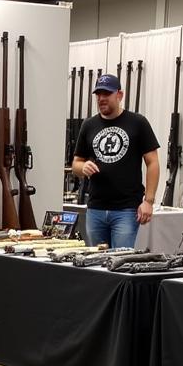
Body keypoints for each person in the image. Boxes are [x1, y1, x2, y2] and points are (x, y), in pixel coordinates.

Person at [71, 72, 160, 249]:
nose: (101, 98)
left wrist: (148, 201)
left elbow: (153, 162)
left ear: (119, 95)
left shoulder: (138, 122)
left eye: (106, 94)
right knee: (96, 266)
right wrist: (83, 167)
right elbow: (75, 164)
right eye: (98, 94)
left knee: (120, 264)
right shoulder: (88, 125)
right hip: (95, 208)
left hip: (126, 209)